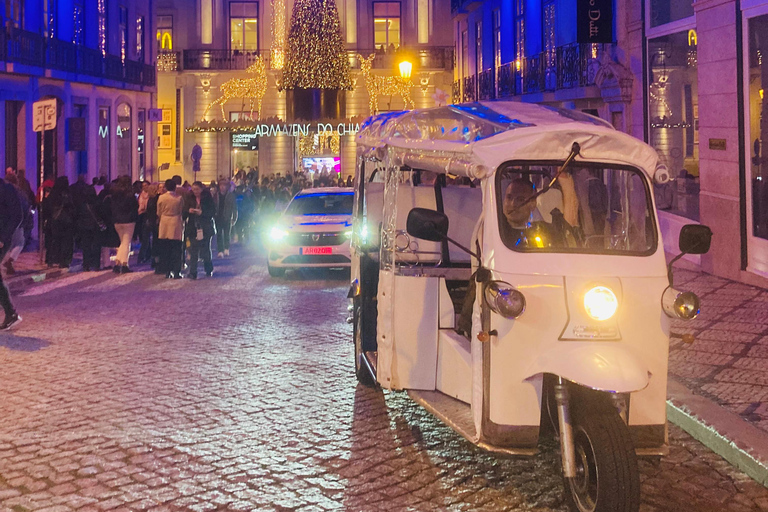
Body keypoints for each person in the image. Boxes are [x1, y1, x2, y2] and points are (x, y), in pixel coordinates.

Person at [0, 176, 23, 330]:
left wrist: (3, 237)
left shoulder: (6, 189)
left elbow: (17, 215)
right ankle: (11, 313)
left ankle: (11, 313)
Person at [185, 181, 216, 279]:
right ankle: (193, 272)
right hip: (193, 227)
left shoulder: (207, 198)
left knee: (206, 250)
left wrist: (202, 213)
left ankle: (208, 269)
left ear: (201, 189)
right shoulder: (190, 198)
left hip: (205, 227)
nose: (195, 191)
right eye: (193, 189)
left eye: (197, 189)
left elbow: (212, 212)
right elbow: (184, 211)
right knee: (193, 250)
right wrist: (188, 211)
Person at [45, 176, 76, 268]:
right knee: (66, 241)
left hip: (55, 220)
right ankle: (64, 260)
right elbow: (72, 207)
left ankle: (53, 259)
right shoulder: (67, 194)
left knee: (55, 240)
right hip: (67, 221)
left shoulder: (53, 194)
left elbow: (47, 207)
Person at [110, 176, 139, 273]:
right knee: (126, 242)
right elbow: (135, 207)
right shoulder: (130, 195)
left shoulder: (114, 194)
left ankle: (118, 263)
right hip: (128, 220)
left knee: (122, 242)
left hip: (117, 221)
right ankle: (124, 263)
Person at [157, 179, 184, 279]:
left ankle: (167, 271)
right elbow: (181, 210)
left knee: (166, 248)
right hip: (175, 222)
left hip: (164, 222)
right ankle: (177, 271)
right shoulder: (179, 198)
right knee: (176, 248)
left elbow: (158, 212)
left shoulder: (161, 198)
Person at [77, 185, 104, 271]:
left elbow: (78, 215)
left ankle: (86, 264)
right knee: (96, 245)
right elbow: (101, 214)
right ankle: (96, 264)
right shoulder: (97, 202)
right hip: (95, 226)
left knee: (86, 246)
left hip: (84, 226)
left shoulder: (82, 203)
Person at [215, 178, 237, 257]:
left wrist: (234, 218)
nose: (222, 187)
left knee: (227, 234)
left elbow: (234, 207)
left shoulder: (230, 195)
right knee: (219, 234)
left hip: (227, 217)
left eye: (224, 185)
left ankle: (226, 248)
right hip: (218, 217)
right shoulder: (216, 195)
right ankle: (220, 250)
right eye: (221, 185)